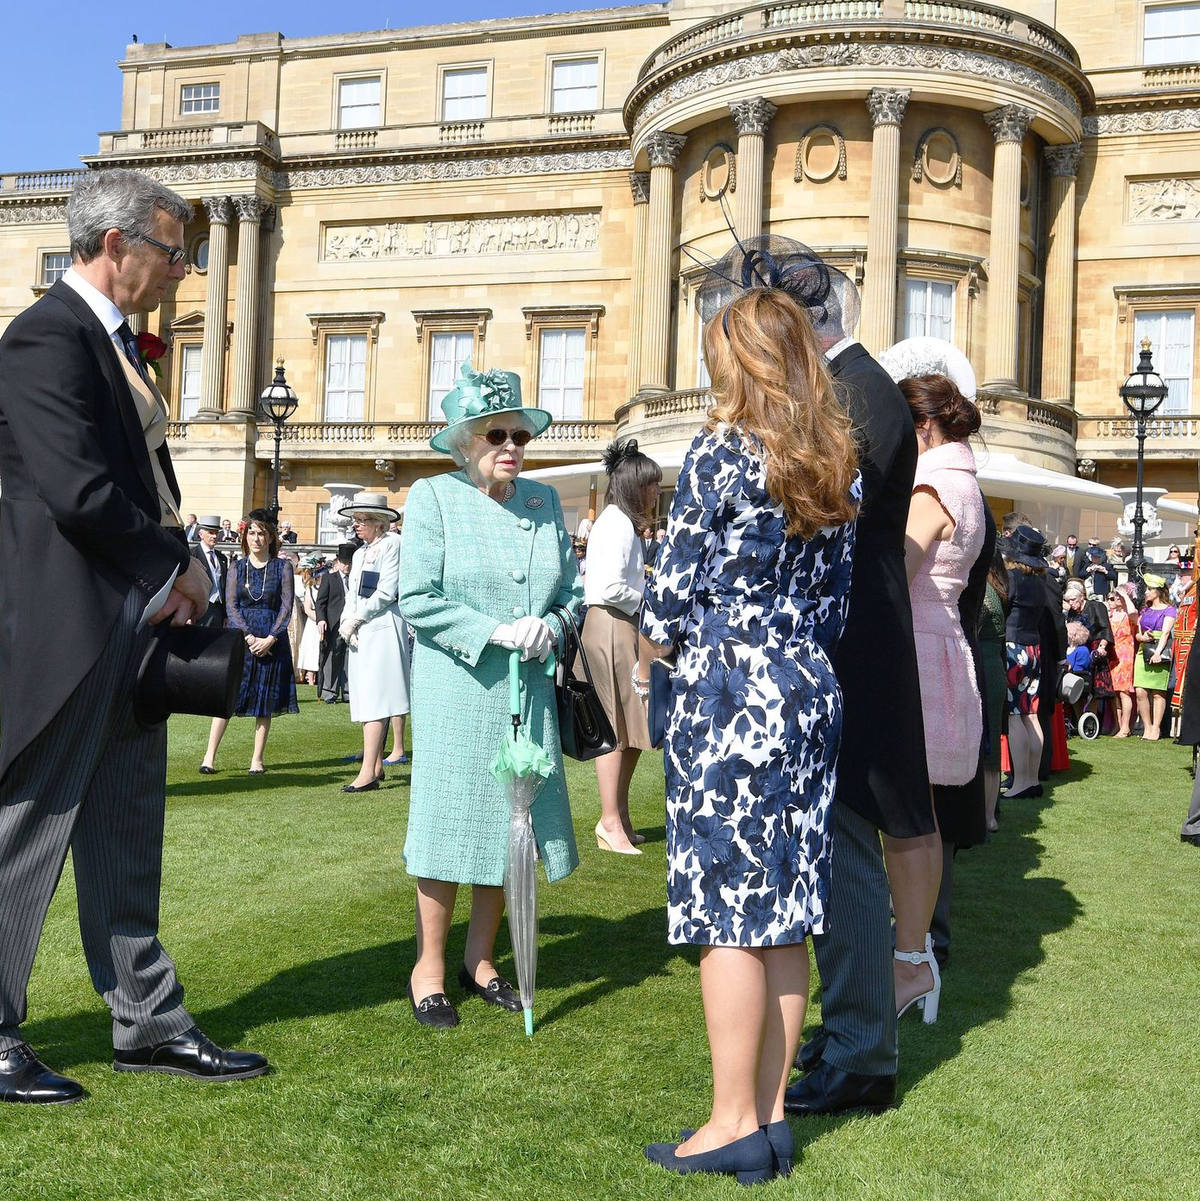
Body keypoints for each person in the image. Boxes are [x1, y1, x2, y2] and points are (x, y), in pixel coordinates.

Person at [0, 167, 267, 1105]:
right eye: (172, 251)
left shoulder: (111, 343)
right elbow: (77, 491)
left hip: (129, 623)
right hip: (71, 623)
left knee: (125, 829)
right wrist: (177, 564)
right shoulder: (44, 336)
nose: (183, 270)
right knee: (26, 833)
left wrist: (170, 571)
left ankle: (147, 1023)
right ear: (115, 246)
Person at [638, 280, 860, 1185]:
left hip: (731, 690)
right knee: (787, 910)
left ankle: (732, 1120)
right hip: (808, 686)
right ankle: (769, 1117)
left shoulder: (721, 451)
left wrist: (678, 639)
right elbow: (837, 606)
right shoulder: (837, 461)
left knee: (728, 908)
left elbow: (665, 602)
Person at [784, 249, 928, 1120]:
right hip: (853, 645)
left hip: (856, 652)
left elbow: (825, 506)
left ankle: (863, 1049)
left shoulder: (860, 391)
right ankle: (851, 1027)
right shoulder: (856, 387)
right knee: (837, 846)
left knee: (845, 849)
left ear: (807, 319)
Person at [398, 361, 582, 1030]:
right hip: (458, 687)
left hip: (525, 688)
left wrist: (551, 624)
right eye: (496, 434)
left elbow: (572, 593)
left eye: (520, 436)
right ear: (464, 441)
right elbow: (417, 597)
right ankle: (428, 968)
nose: (511, 447)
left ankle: (480, 960)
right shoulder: (432, 497)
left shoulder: (543, 502)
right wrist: (491, 630)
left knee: (512, 823)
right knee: (449, 824)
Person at [876, 351, 985, 1018]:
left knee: (907, 820)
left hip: (917, 651)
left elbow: (896, 573)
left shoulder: (934, 487)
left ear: (921, 429)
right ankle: (914, 956)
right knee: (924, 820)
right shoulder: (966, 482)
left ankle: (910, 960)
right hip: (942, 649)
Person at [582, 437, 661, 854]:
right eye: (651, 484)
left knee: (631, 726)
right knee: (616, 727)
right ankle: (609, 821)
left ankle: (619, 817)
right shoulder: (616, 523)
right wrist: (650, 599)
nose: (656, 492)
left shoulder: (621, 523)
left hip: (621, 626)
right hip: (612, 626)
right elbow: (609, 587)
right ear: (634, 485)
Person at [200, 514, 298, 774]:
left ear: (271, 538)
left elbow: (286, 606)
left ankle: (257, 759)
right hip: (241, 638)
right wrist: (248, 636)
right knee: (227, 695)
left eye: (261, 533)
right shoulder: (236, 567)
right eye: (252, 533)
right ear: (245, 536)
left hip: (271, 638)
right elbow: (231, 606)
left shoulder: (283, 567)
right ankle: (209, 756)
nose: (256, 538)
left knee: (265, 698)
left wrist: (271, 638)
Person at [338, 493, 412, 793]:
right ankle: (375, 764)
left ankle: (368, 770)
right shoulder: (359, 553)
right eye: (355, 520)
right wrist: (347, 620)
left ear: (379, 523)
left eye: (362, 520)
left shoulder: (393, 545)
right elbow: (352, 593)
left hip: (383, 626)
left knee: (377, 698)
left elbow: (386, 591)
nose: (356, 525)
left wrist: (357, 618)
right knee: (365, 695)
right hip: (362, 630)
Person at [1002, 526, 1050, 797]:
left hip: (1013, 647)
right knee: (1031, 714)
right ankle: (1031, 780)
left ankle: (1020, 781)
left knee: (1014, 716)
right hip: (1034, 649)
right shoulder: (1041, 582)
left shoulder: (1012, 578)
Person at [980, 551, 1010, 830]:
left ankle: (986, 815)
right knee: (992, 749)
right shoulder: (996, 590)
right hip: (994, 669)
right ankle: (989, 814)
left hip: (985, 670)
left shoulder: (984, 593)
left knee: (986, 747)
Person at [1134, 574, 1176, 740]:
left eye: (1149, 589)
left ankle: (1156, 729)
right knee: (1140, 691)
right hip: (1143, 649)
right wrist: (1142, 637)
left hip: (1160, 649)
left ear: (1158, 591)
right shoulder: (1145, 609)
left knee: (1158, 692)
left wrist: (1158, 652)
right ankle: (1147, 727)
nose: (1146, 592)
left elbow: (1165, 633)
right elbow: (1138, 633)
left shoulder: (1169, 609)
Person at [316, 543, 354, 703]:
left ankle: (348, 691)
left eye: (349, 563)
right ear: (338, 562)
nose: (347, 566)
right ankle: (330, 692)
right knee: (332, 656)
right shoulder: (329, 578)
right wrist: (321, 619)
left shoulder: (356, 579)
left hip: (352, 622)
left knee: (350, 656)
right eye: (344, 562)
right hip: (334, 623)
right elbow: (320, 602)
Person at [1105, 586, 1139, 736]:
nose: (1116, 598)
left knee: (1124, 691)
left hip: (1125, 656)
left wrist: (1125, 595)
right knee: (1114, 692)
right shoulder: (1112, 614)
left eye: (1119, 596)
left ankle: (1125, 727)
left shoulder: (1129, 615)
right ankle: (1117, 724)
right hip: (1112, 655)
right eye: (1115, 596)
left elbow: (1132, 612)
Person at [189, 515, 229, 629]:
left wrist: (225, 615)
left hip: (218, 610)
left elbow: (224, 586)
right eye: (211, 533)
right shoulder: (192, 555)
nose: (214, 536)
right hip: (199, 610)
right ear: (201, 534)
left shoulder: (222, 558)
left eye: (216, 533)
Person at [295, 555, 323, 686]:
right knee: (311, 649)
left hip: (320, 622)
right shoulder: (309, 589)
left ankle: (317, 677)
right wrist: (318, 619)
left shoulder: (323, 589)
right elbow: (307, 608)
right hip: (312, 623)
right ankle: (310, 678)